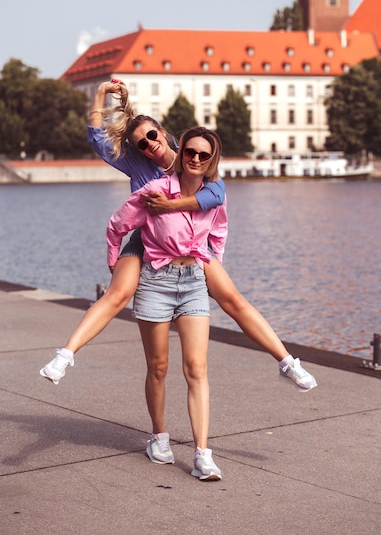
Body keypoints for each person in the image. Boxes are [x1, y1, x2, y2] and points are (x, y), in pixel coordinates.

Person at [40, 79, 316, 391]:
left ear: (163, 132)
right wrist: (101, 93)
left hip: (191, 244)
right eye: (141, 143)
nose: (149, 144)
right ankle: (65, 355)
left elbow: (215, 196)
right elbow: (96, 137)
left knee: (233, 299)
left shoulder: (192, 157)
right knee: (117, 293)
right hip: (147, 240)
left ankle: (287, 362)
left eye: (152, 136)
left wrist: (171, 206)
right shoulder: (137, 164)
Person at [107, 126, 226, 480]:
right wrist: (115, 261)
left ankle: (203, 454)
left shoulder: (214, 193)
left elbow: (219, 231)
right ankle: (158, 436)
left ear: (211, 160)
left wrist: (212, 263)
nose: (195, 159)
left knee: (197, 369)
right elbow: (117, 224)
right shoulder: (154, 189)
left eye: (204, 155)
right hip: (156, 281)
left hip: (192, 283)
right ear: (181, 149)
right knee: (158, 367)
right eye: (191, 151)